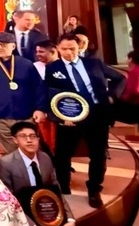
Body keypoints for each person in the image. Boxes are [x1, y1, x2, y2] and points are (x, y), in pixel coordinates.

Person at [45, 33, 125, 208]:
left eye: (72, 49)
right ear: (57, 48)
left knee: (98, 155)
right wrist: (59, 117)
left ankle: (94, 189)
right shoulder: (52, 68)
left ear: (79, 47)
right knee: (63, 154)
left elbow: (120, 78)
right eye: (64, 49)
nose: (69, 52)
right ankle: (63, 186)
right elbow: (50, 94)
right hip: (70, 117)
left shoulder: (94, 63)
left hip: (97, 114)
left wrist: (112, 96)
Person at [0, 32, 47, 154]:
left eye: (3, 44)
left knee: (29, 150)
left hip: (26, 116)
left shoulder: (26, 64)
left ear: (13, 46)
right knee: (10, 153)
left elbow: (39, 87)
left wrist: (40, 108)